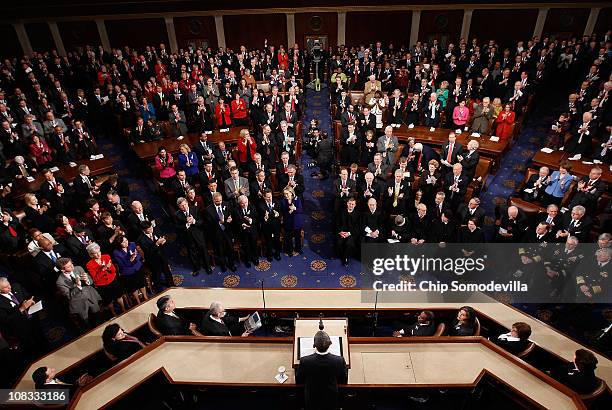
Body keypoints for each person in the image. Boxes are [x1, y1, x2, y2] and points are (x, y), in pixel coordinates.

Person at [295, 330, 348, 410]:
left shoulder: (304, 361)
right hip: (331, 400)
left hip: (311, 401)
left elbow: (299, 380)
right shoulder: (339, 360)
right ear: (330, 343)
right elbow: (343, 380)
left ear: (314, 345)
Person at [55, 257, 101, 328]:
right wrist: (78, 286)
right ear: (62, 270)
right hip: (79, 304)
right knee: (86, 323)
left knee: (98, 316)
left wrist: (87, 280)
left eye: (72, 264)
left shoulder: (78, 268)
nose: (72, 266)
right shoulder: (60, 282)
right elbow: (69, 296)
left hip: (91, 296)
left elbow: (91, 281)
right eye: (69, 266)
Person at [85, 242, 126, 316]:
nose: (98, 254)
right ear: (91, 255)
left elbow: (113, 271)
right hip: (102, 286)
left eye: (99, 252)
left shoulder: (106, 257)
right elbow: (95, 279)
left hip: (112, 281)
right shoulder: (89, 265)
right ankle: (114, 313)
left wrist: (108, 267)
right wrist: (103, 269)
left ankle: (123, 309)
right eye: (95, 253)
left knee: (119, 296)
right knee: (108, 301)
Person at [112, 235, 148, 304]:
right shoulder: (116, 252)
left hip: (137, 267)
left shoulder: (132, 244)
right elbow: (121, 265)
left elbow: (139, 255)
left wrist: (135, 258)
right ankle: (138, 301)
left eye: (126, 240)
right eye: (123, 242)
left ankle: (145, 296)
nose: (126, 242)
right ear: (119, 244)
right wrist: (130, 260)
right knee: (134, 287)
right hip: (128, 271)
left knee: (142, 283)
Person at [280, 188, 304, 256]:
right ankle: (289, 250)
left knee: (297, 237)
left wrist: (295, 208)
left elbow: (301, 211)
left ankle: (297, 249)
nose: (286, 195)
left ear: (291, 193)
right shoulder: (283, 201)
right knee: (288, 238)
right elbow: (283, 213)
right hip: (287, 222)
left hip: (296, 222)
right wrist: (289, 211)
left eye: (287, 193)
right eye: (284, 194)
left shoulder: (297, 199)